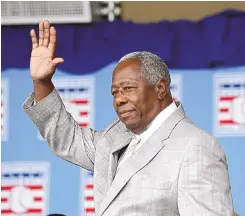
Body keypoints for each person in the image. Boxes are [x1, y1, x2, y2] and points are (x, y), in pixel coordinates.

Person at [23, 20, 234, 216]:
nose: (119, 99)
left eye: (128, 89)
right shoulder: (115, 137)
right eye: (115, 92)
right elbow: (68, 140)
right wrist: (42, 83)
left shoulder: (196, 146)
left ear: (160, 88)